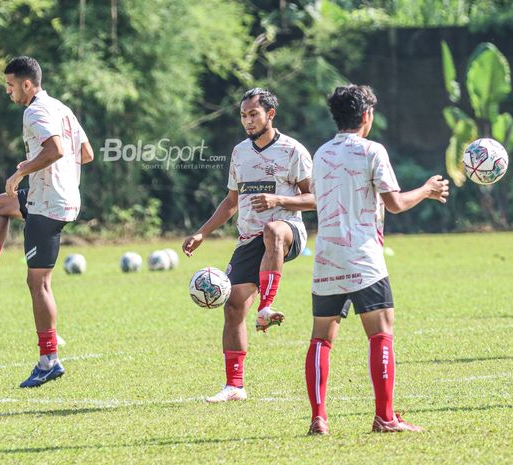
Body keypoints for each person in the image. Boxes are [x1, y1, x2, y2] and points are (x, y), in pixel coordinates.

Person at [305, 84, 449, 435]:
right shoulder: (372, 151)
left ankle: (319, 419)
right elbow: (395, 203)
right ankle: (385, 417)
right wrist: (428, 190)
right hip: (363, 256)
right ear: (366, 116)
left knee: (321, 338)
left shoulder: (321, 154)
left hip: (326, 256)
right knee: (381, 333)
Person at [0, 56, 94, 388]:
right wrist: (46, 170)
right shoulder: (61, 108)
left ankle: (48, 360)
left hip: (48, 204)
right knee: (1, 205)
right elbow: (86, 153)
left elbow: (56, 150)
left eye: (10, 85)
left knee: (39, 284)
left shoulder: (35, 110)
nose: (8, 92)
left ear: (26, 84)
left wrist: (24, 169)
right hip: (60, 198)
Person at [182, 88, 315, 403]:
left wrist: (279, 199)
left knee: (272, 229)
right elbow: (231, 202)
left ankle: (267, 306)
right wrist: (203, 233)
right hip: (249, 239)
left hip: (288, 231)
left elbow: (314, 199)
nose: (247, 121)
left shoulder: (293, 150)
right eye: (243, 115)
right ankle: (234, 386)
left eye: (253, 114)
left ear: (270, 114)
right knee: (233, 305)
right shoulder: (240, 152)